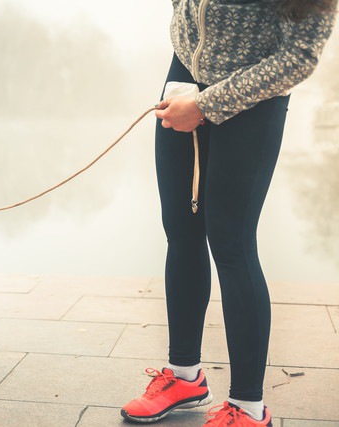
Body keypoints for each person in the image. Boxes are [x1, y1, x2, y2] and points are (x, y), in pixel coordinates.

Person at [121, 0, 337, 425]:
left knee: (232, 244)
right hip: (183, 77)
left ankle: (248, 408)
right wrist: (190, 87)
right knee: (180, 232)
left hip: (253, 101)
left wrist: (206, 104)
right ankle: (185, 377)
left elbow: (300, 57)